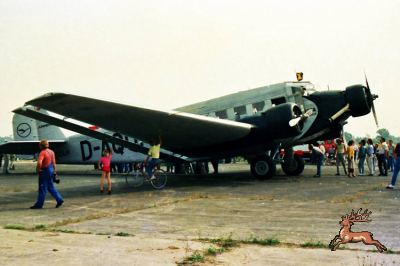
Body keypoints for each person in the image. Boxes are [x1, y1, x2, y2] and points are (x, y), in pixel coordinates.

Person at [30, 139, 64, 209]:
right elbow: (54, 163)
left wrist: (38, 169)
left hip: (45, 171)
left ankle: (39, 205)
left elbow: (40, 162)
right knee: (51, 187)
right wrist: (54, 171)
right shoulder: (51, 152)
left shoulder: (42, 153)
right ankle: (59, 199)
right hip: (51, 170)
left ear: (41, 146)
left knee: (42, 189)